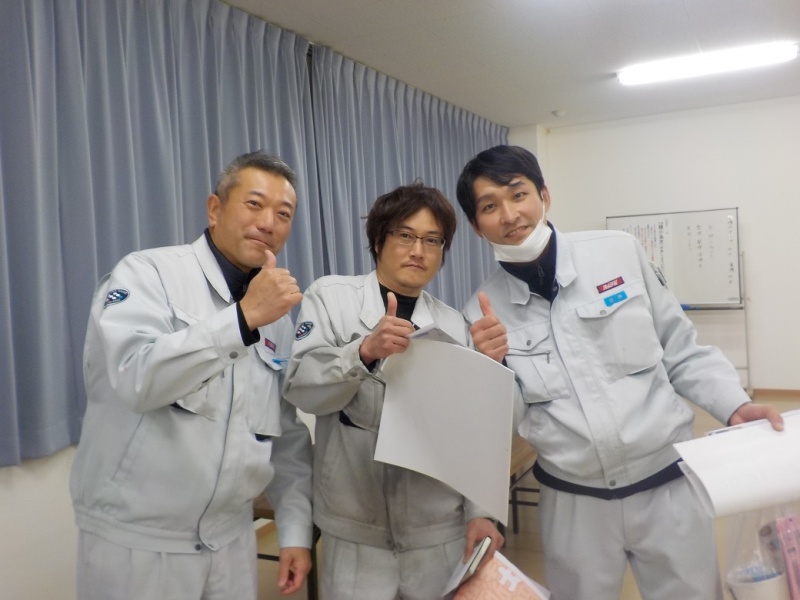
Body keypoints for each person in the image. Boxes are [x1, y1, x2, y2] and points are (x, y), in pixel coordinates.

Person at [455, 145, 784, 600]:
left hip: (668, 485)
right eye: (490, 206)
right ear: (476, 225)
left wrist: (734, 404)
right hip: (574, 503)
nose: (510, 215)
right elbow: (492, 424)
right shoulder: (480, 312)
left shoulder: (618, 253)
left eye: (518, 194)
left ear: (544, 195)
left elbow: (680, 348)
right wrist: (488, 368)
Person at [70, 150, 314, 599]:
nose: (268, 223)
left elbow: (284, 433)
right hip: (140, 541)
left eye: (283, 214)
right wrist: (241, 320)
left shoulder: (275, 318)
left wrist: (295, 529)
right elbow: (137, 377)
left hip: (231, 538)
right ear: (215, 209)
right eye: (254, 204)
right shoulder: (149, 274)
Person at [283, 182, 506, 600]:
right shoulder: (331, 299)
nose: (418, 251)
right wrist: (363, 352)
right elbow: (301, 389)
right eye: (405, 235)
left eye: (432, 240)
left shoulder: (454, 325)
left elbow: (470, 431)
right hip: (355, 529)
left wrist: (481, 513)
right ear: (378, 240)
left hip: (436, 529)